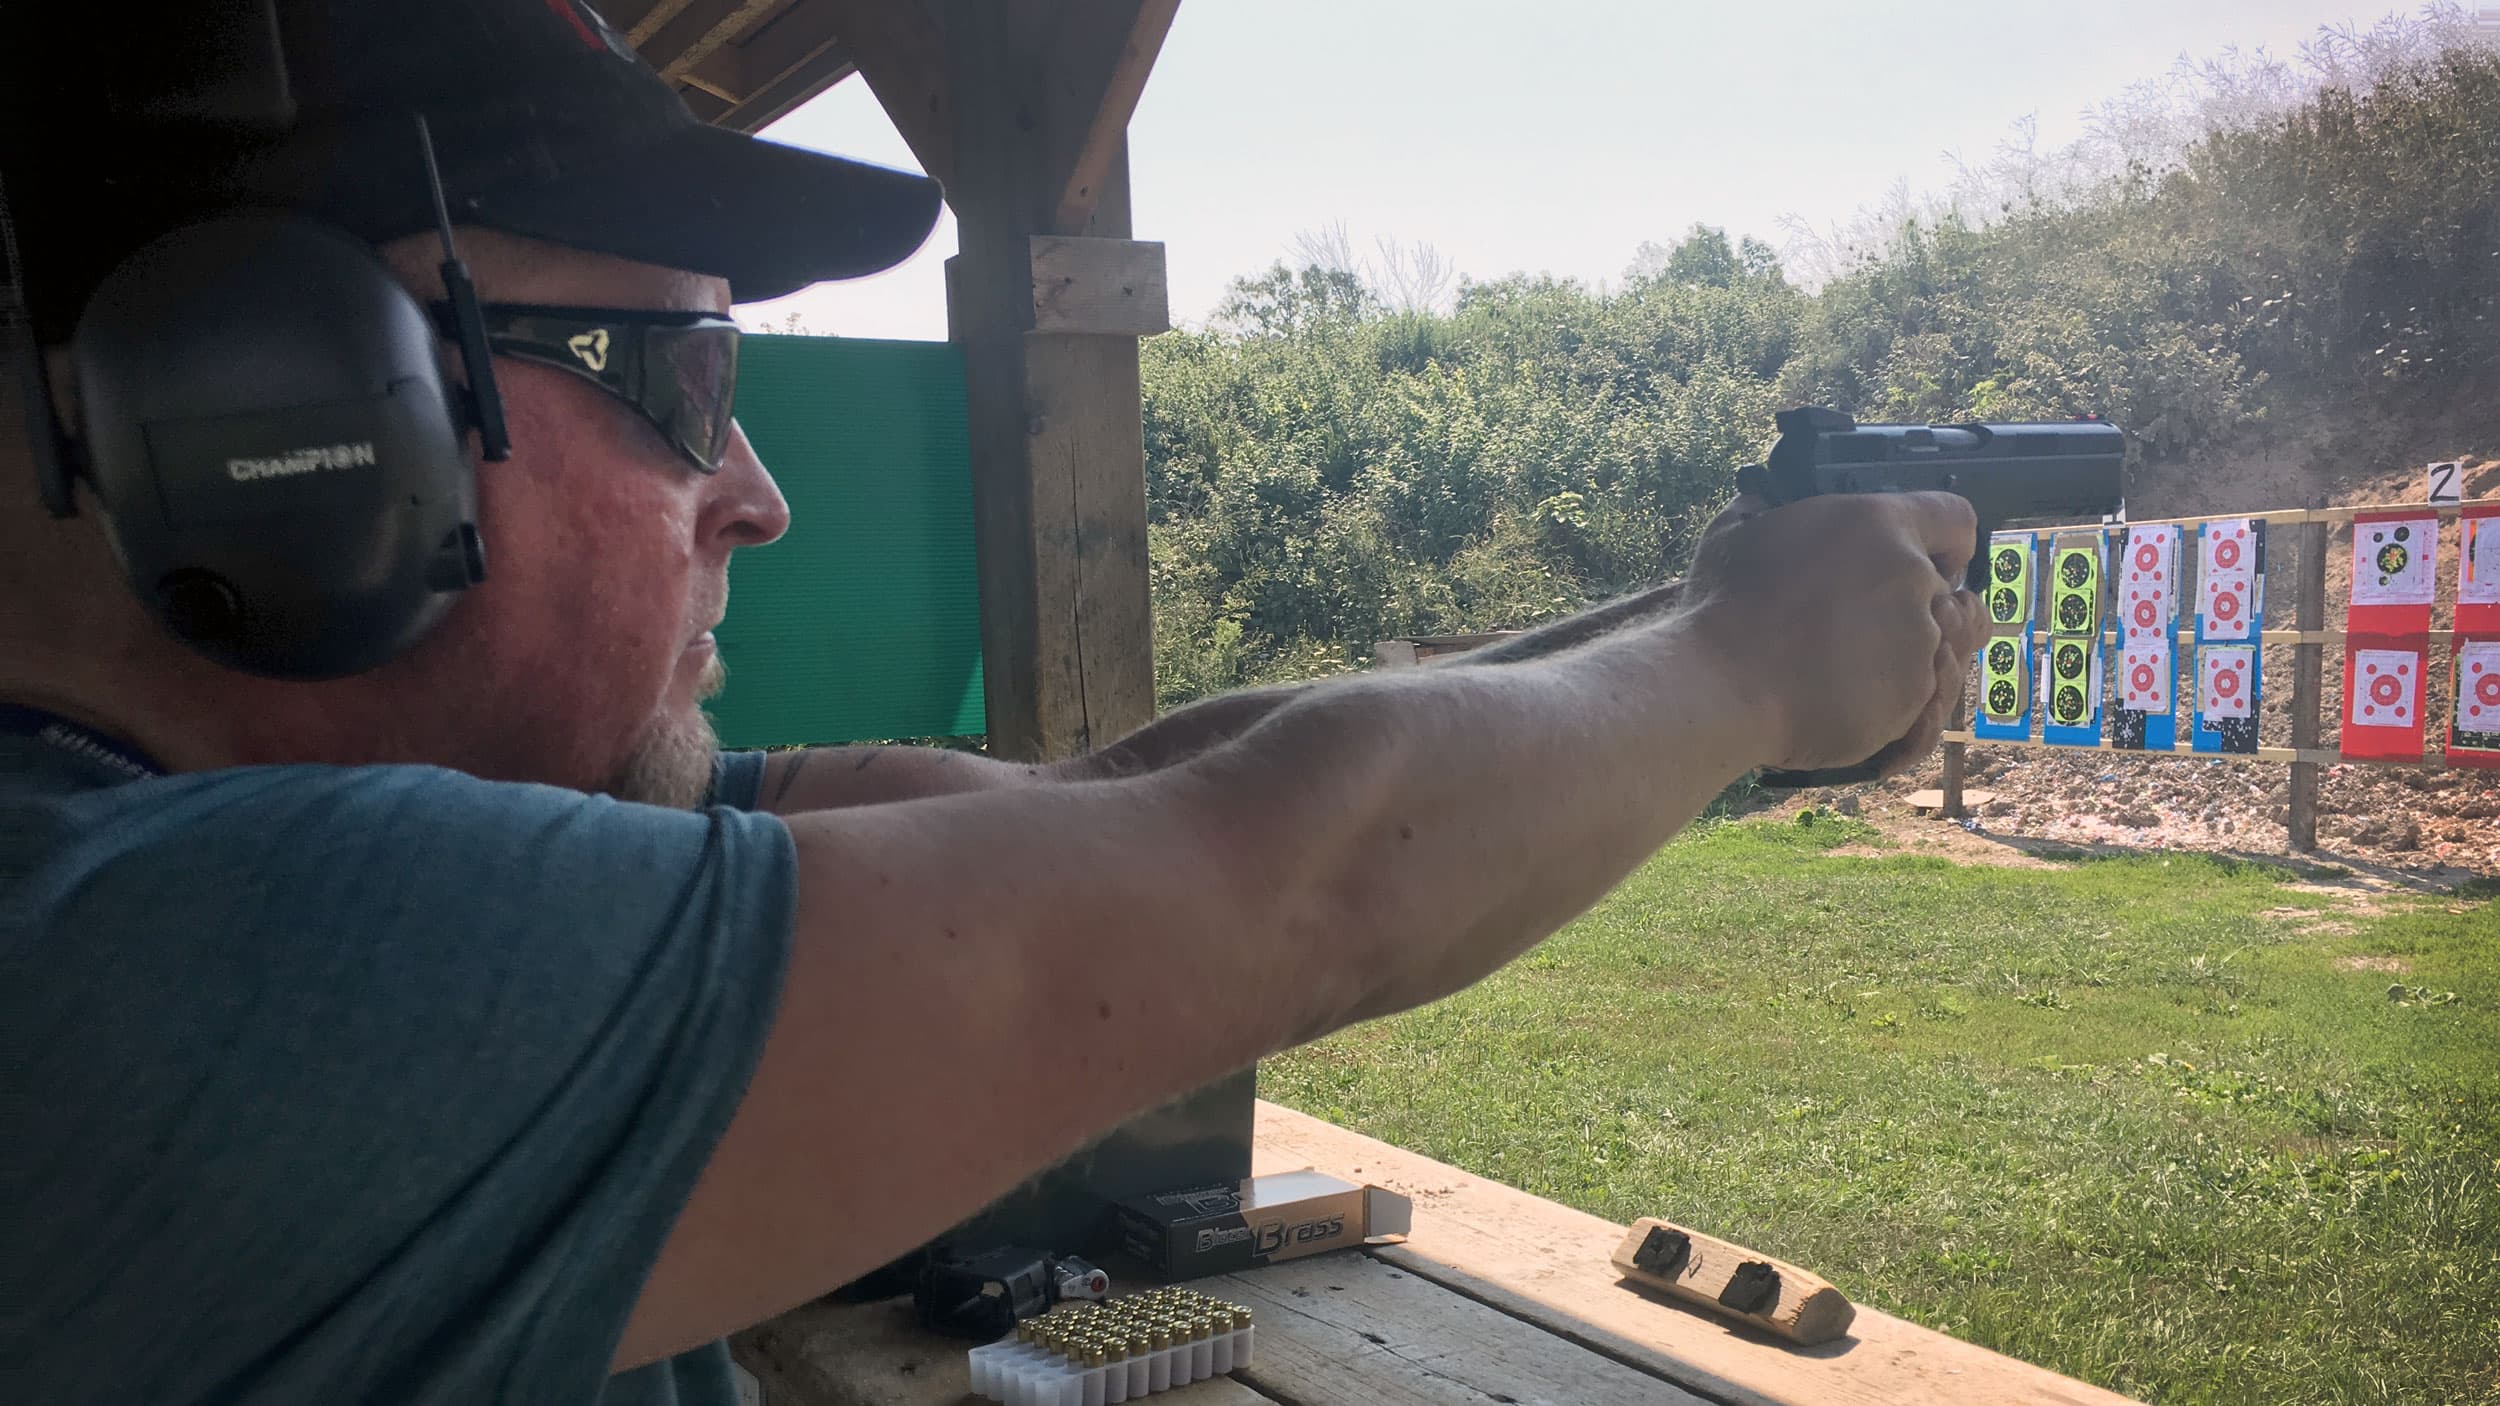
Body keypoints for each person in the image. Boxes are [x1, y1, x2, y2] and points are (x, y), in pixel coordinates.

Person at [0, 3, 1988, 1402]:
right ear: (289, 416)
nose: (754, 494)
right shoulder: (137, 973)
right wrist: (1740, 672)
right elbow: (1277, 886)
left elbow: (1111, 807)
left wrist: (1705, 634)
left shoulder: (207, 838)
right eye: (677, 383)